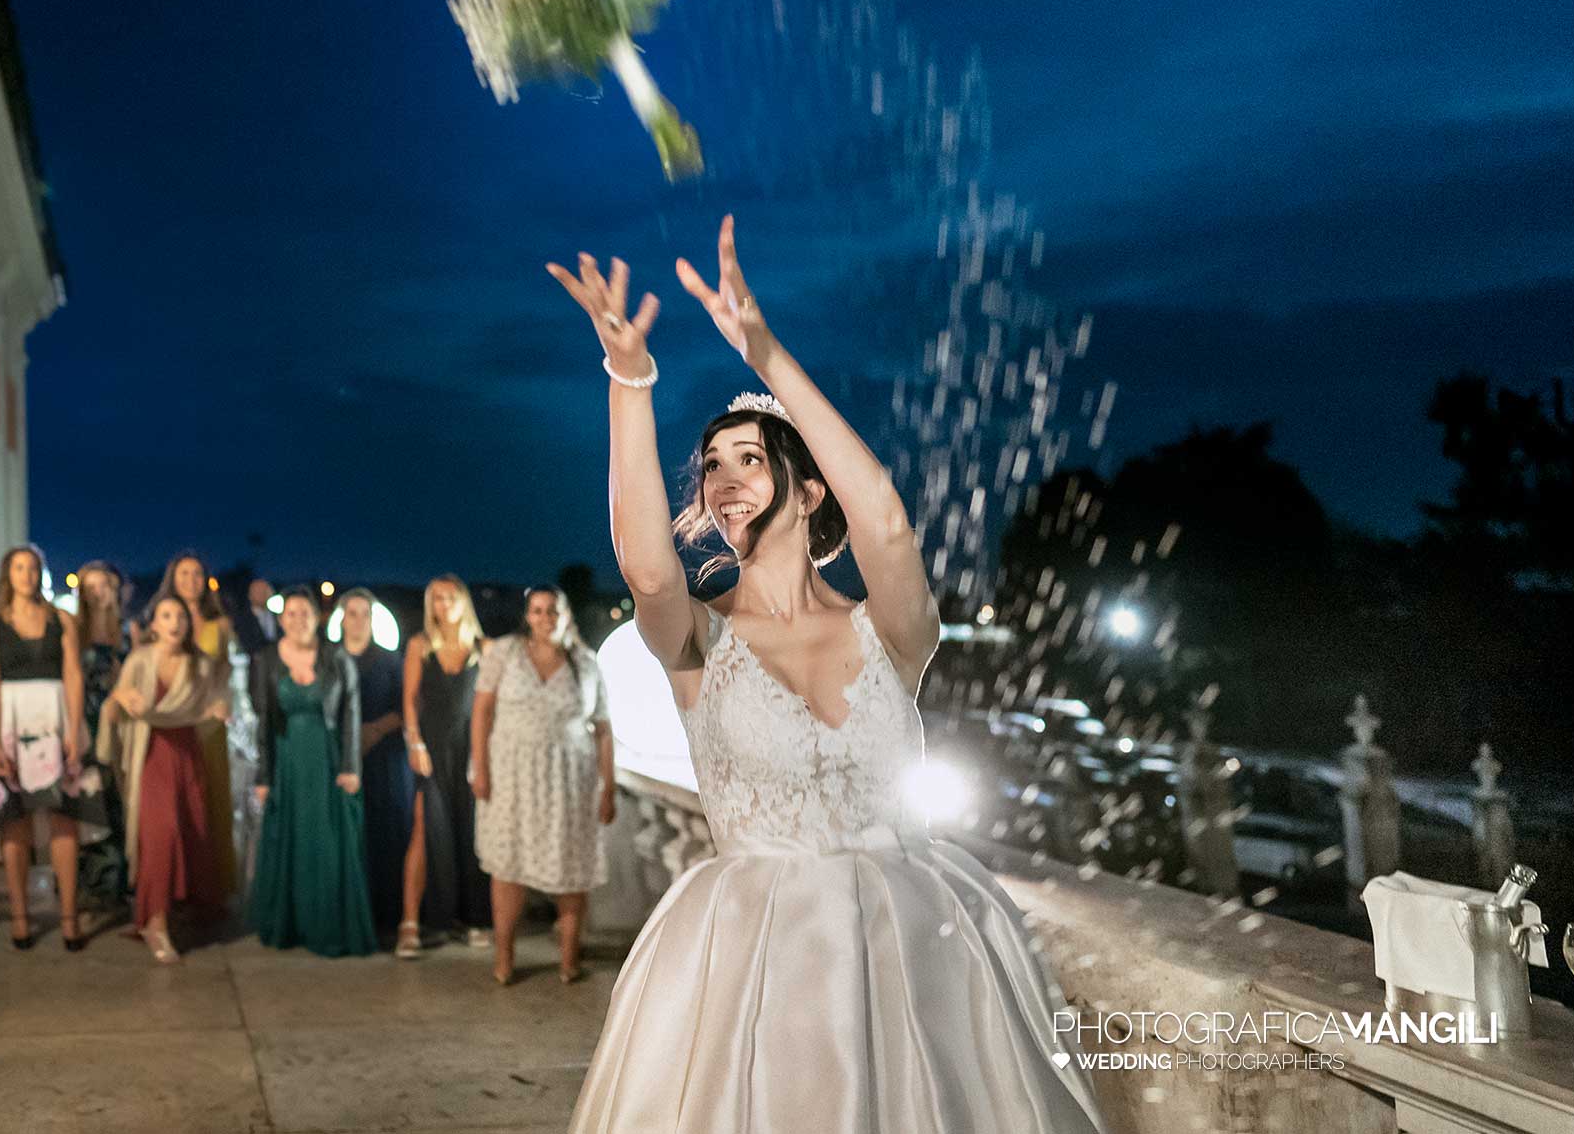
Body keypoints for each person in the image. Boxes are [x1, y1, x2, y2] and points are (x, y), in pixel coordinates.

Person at [549, 220, 1106, 1133]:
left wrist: (764, 355)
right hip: (754, 973)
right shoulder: (699, 640)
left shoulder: (890, 630)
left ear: (809, 493)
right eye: (713, 468)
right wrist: (629, 382)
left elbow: (883, 516)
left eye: (751, 459)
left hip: (919, 955)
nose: (723, 479)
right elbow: (650, 570)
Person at [0, 546, 110, 952]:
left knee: (65, 818)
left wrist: (74, 730)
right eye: (18, 567)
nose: (26, 575)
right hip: (10, 720)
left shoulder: (61, 619)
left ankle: (68, 916)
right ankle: (20, 915)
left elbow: (74, 676)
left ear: (40, 575)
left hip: (56, 717)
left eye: (32, 568)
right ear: (6, 575)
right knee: (15, 820)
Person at [471, 586, 615, 985]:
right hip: (512, 774)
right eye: (537, 611)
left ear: (565, 615)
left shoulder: (585, 663)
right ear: (527, 616)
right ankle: (505, 957)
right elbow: (481, 712)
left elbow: (602, 729)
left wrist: (609, 787)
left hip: (569, 779)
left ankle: (569, 959)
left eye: (553, 610)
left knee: (572, 866)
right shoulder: (503, 653)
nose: (545, 617)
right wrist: (479, 769)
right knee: (508, 864)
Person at [98, 593, 229, 963]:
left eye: (180, 617)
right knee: (162, 833)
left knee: (193, 832)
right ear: (153, 624)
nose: (174, 623)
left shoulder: (198, 664)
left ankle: (168, 912)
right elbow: (111, 709)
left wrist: (220, 708)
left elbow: (218, 696)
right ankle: (154, 923)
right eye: (166, 616)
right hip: (150, 754)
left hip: (187, 753)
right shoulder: (139, 660)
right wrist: (120, 697)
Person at [246, 587, 375, 957]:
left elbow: (352, 712)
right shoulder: (267, 659)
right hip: (287, 764)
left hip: (328, 761)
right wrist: (263, 775)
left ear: (317, 618)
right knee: (290, 842)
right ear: (281, 619)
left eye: (305, 613)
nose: (298, 620)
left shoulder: (337, 657)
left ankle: (327, 924)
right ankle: (290, 924)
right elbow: (264, 721)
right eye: (290, 614)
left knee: (327, 844)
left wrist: (351, 767)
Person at [396, 575, 490, 958]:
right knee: (424, 829)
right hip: (431, 750)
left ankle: (472, 918)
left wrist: (484, 757)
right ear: (430, 605)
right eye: (436, 598)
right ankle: (411, 923)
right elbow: (409, 701)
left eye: (451, 596)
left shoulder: (484, 647)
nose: (444, 603)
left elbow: (490, 708)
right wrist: (414, 743)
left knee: (472, 833)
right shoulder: (420, 646)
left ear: (463, 601)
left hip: (471, 752)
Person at [152, 553, 240, 896]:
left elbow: (227, 674)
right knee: (177, 803)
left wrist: (222, 703)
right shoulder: (161, 621)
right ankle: (176, 887)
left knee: (212, 799)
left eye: (197, 574)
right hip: (173, 723)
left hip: (209, 723)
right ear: (173, 578)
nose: (191, 580)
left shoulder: (220, 625)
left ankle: (211, 888)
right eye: (184, 573)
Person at [337, 587, 412, 940]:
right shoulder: (331, 659)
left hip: (383, 757)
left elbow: (407, 707)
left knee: (385, 834)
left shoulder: (389, 660)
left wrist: (374, 730)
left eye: (364, 614)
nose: (357, 620)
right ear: (342, 618)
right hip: (343, 761)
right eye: (351, 613)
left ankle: (387, 915)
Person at [74, 561, 133, 907]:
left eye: (104, 586)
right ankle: (88, 880)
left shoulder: (125, 631)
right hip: (84, 721)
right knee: (86, 799)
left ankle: (115, 880)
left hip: (114, 725)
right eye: (91, 587)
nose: (98, 593)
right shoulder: (74, 630)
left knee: (116, 800)